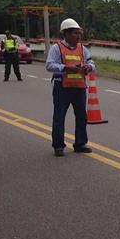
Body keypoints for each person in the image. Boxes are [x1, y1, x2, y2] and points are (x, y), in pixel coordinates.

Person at [46, 18, 95, 157]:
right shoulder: (57, 48)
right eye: (75, 33)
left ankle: (80, 143)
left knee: (81, 116)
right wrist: (65, 68)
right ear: (66, 34)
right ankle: (58, 146)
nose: (78, 36)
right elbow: (49, 65)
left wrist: (88, 67)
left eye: (79, 33)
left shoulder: (82, 49)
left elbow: (92, 63)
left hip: (79, 87)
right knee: (59, 117)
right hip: (62, 87)